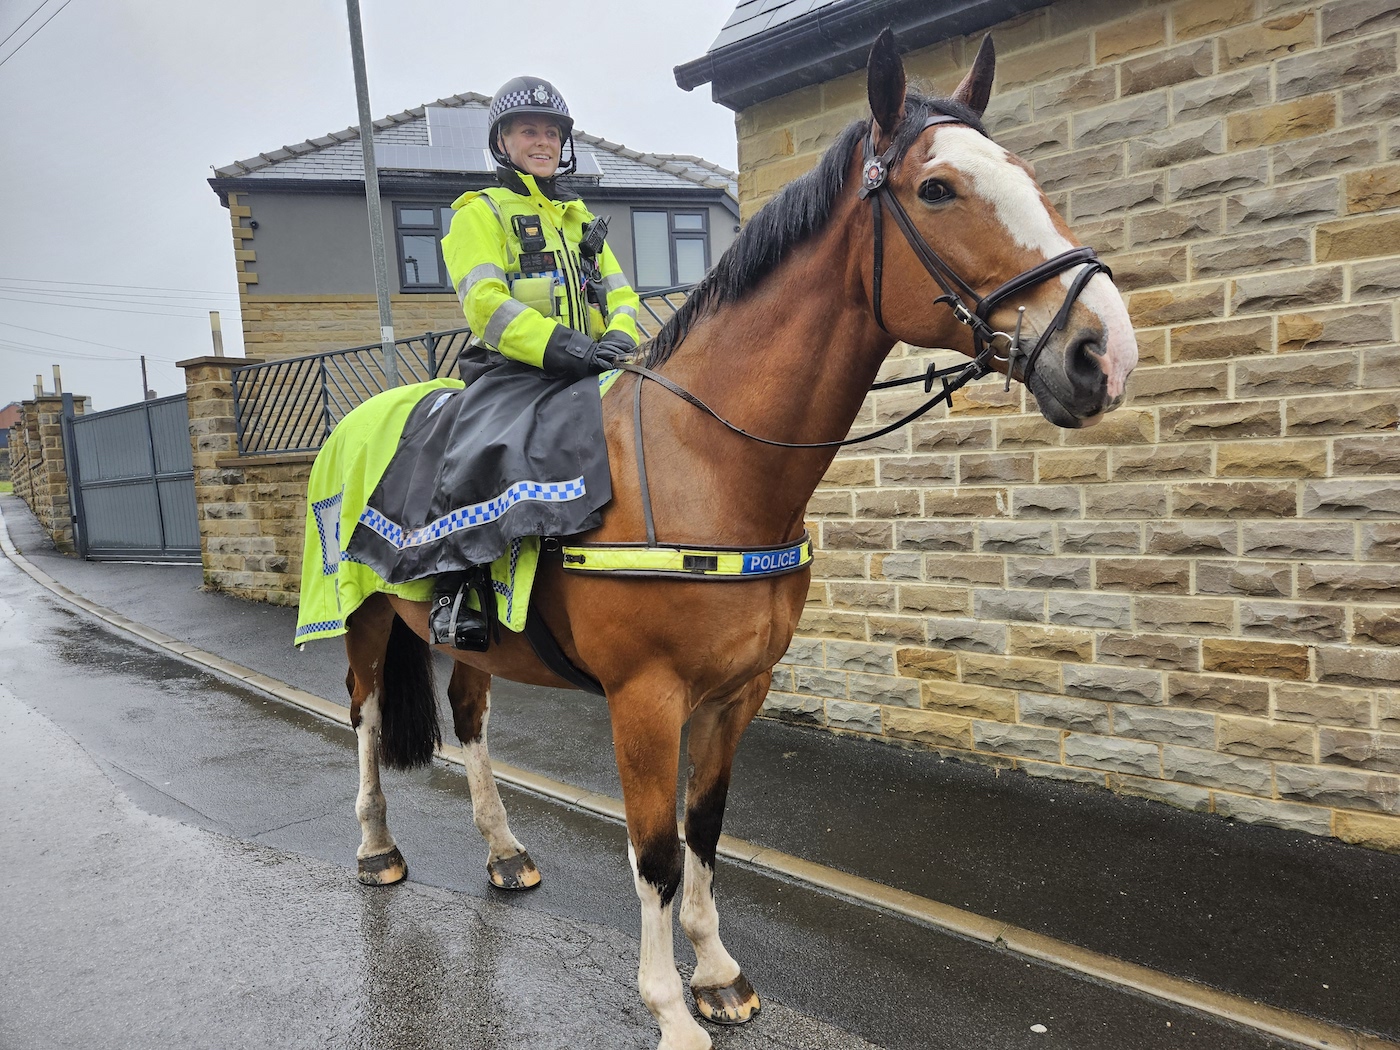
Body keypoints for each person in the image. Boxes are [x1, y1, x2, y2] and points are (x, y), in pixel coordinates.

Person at [441, 76, 642, 379]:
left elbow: (621, 295)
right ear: (501, 142)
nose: (543, 142)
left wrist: (620, 338)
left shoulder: (579, 216)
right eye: (529, 132)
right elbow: (485, 305)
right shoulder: (479, 214)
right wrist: (572, 349)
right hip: (513, 375)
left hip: (593, 365)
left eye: (551, 133)